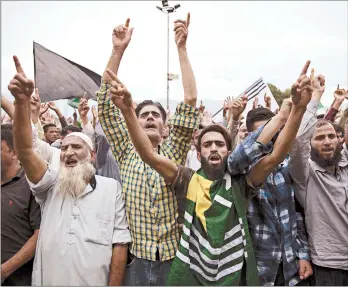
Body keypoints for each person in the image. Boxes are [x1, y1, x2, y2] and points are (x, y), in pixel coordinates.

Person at [103, 57, 313, 285]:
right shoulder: (188, 180)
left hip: (233, 275)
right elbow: (149, 155)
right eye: (207, 144)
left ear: (229, 151)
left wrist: (298, 109)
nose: (214, 147)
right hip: (195, 274)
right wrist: (126, 112)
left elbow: (275, 157)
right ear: (198, 153)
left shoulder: (241, 184)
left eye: (220, 144)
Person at [8, 55, 131, 286]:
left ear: (92, 155)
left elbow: (120, 244)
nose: (68, 152)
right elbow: (25, 150)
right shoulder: (51, 185)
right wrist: (21, 102)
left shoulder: (111, 188)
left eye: (76, 147)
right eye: (64, 148)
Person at [97, 16, 198, 285]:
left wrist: (182, 48)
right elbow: (106, 108)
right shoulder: (126, 151)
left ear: (165, 127)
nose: (150, 117)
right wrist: (117, 50)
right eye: (144, 115)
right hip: (137, 259)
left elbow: (189, 101)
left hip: (175, 258)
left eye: (156, 115)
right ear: (135, 123)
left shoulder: (174, 151)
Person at [289, 95, 348, 285]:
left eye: (331, 136)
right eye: (320, 138)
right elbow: (298, 139)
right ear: (310, 143)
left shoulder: (345, 164)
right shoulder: (304, 175)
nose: (328, 141)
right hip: (330, 266)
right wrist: (314, 97)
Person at [1, 124, 41, 286]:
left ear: (15, 153)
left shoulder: (32, 185)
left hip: (20, 279)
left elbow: (39, 235)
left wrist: (4, 270)